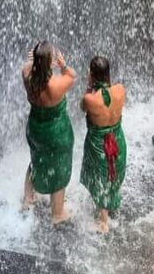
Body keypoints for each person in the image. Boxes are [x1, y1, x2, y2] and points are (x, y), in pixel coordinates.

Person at [22, 40, 76, 224]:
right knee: (59, 167)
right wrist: (63, 65)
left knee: (37, 159)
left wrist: (33, 61)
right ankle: (57, 214)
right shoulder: (55, 85)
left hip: (36, 128)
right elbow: (72, 76)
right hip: (56, 132)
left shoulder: (26, 74)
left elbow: (29, 68)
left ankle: (28, 199)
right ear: (50, 62)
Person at [80, 55, 127, 233]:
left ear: (92, 75)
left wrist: (89, 85)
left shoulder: (90, 99)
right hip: (117, 138)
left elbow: (82, 107)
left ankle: (103, 222)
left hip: (99, 142)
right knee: (113, 170)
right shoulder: (120, 90)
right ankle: (111, 205)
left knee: (99, 175)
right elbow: (114, 103)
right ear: (108, 73)